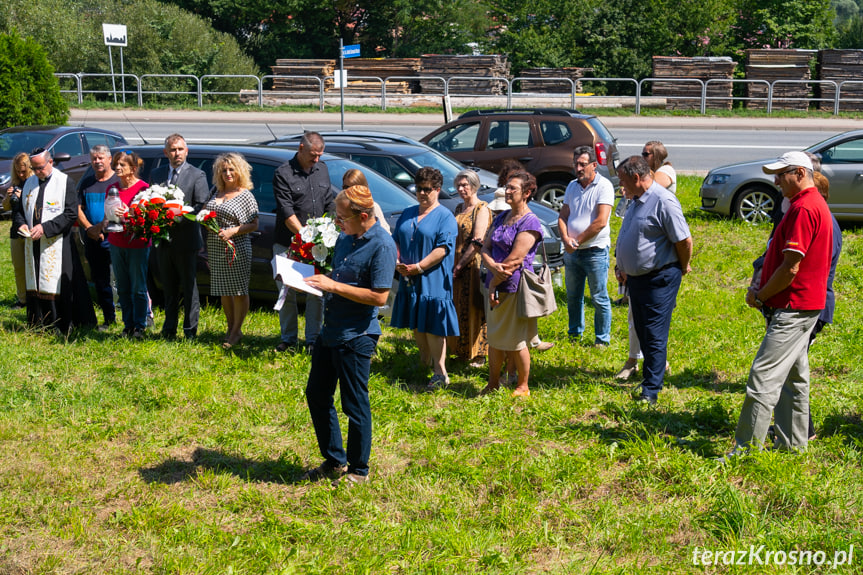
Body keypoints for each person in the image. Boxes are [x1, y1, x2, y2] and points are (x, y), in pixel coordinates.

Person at [727, 152, 833, 456]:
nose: (775, 181)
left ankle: (745, 451)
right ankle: (792, 446)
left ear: (799, 173)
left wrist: (761, 296)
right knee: (794, 379)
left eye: (780, 174)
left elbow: (790, 267)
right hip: (805, 305)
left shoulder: (804, 208)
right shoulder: (813, 205)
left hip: (793, 306)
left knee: (763, 378)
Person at [300, 184, 398, 486]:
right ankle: (334, 459)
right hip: (331, 329)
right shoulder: (345, 239)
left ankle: (359, 469)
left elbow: (380, 297)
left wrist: (334, 287)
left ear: (364, 215)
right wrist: (314, 280)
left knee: (353, 403)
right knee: (316, 394)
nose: (337, 223)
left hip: (357, 335)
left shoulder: (381, 245)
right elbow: (339, 277)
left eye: (342, 218)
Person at [614, 155, 692, 405]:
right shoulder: (636, 200)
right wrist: (622, 264)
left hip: (659, 277)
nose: (621, 185)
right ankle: (650, 378)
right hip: (636, 279)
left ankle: (651, 389)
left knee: (654, 333)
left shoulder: (664, 200)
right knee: (643, 330)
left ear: (637, 178)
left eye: (623, 180)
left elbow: (684, 240)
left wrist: (681, 267)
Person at [391, 167, 460, 390]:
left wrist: (419, 267)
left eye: (427, 189)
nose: (422, 193)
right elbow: (396, 239)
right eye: (419, 188)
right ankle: (424, 363)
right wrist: (397, 261)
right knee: (416, 321)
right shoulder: (408, 211)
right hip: (408, 277)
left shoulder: (445, 217)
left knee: (433, 325)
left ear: (437, 190)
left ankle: (441, 372)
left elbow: (443, 249)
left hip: (433, 278)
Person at [13, 148, 95, 332]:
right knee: (34, 280)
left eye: (40, 167)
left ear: (50, 162)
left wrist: (45, 228)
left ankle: (60, 324)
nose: (37, 172)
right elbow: (19, 211)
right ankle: (38, 322)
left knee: (56, 282)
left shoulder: (64, 182)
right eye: (34, 168)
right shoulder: (29, 182)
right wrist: (21, 225)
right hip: (32, 243)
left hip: (57, 242)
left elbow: (70, 213)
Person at [480, 171, 544, 398]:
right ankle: (493, 383)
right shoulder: (501, 217)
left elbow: (515, 260)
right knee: (495, 338)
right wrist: (490, 266)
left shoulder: (531, 222)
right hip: (494, 285)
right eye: (506, 187)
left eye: (512, 188)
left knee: (516, 340)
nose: (507, 191)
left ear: (526, 193)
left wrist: (494, 284)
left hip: (514, 287)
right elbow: (485, 247)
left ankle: (523, 386)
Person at [272, 131, 336, 352]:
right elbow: (287, 212)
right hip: (288, 243)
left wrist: (325, 234)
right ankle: (288, 339)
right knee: (286, 291)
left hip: (318, 246)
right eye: (313, 155)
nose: (316, 159)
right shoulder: (283, 173)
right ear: (300, 148)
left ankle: (313, 340)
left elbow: (329, 202)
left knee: (315, 293)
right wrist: (305, 238)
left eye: (319, 155)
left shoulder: (323, 169)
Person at [149, 134, 210, 340]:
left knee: (189, 286)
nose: (177, 153)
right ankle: (169, 329)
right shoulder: (157, 174)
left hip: (186, 240)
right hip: (163, 241)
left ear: (187, 151)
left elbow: (201, 204)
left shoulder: (197, 175)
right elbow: (150, 201)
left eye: (180, 149)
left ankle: (190, 330)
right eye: (173, 150)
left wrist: (179, 218)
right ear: (166, 153)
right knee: (169, 286)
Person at [557, 145, 614, 347]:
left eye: (582, 164)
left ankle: (602, 339)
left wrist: (577, 241)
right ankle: (574, 335)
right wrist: (565, 238)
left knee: (599, 297)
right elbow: (563, 216)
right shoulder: (572, 186)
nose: (578, 168)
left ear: (594, 165)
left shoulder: (604, 186)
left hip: (595, 251)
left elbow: (600, 221)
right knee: (573, 297)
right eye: (576, 164)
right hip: (572, 252)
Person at [204, 153, 259, 349]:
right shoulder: (215, 191)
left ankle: (236, 331)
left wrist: (233, 231)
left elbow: (254, 224)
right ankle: (230, 327)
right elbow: (205, 212)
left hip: (237, 247)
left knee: (238, 290)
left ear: (239, 171)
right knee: (223, 290)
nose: (228, 173)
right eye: (224, 170)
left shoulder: (245, 195)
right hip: (216, 246)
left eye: (231, 169)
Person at [448, 169, 491, 367]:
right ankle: (460, 349)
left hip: (472, 264)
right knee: (458, 306)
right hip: (455, 263)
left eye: (465, 185)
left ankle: (479, 352)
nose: (461, 188)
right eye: (458, 185)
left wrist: (460, 265)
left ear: (474, 186)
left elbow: (477, 241)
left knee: (475, 308)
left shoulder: (481, 208)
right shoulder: (459, 207)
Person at [106, 151, 150, 338]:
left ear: (133, 169)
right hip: (116, 242)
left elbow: (149, 219)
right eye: (116, 164)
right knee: (122, 286)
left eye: (122, 165)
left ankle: (140, 325)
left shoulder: (144, 189)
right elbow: (107, 214)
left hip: (138, 244)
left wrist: (130, 214)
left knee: (138, 287)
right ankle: (128, 325)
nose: (117, 168)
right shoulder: (113, 189)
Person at [76, 145, 119, 330]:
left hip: (115, 238)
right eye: (94, 158)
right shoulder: (86, 183)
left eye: (101, 158)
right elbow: (77, 208)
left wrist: (103, 225)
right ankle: (109, 319)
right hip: (93, 238)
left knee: (120, 280)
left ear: (109, 159)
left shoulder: (117, 181)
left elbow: (117, 206)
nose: (97, 161)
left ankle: (132, 318)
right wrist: (89, 228)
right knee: (100, 281)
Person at [3, 152, 32, 309]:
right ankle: (22, 300)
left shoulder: (33, 182)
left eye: (23, 171)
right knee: (19, 266)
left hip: (31, 230)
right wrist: (8, 197)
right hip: (16, 231)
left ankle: (35, 296)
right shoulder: (14, 183)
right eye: (18, 171)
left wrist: (24, 197)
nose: (21, 174)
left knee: (32, 266)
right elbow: (6, 207)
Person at [341, 168, 390, 233]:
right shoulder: (340, 209)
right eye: (346, 187)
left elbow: (385, 234)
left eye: (355, 187)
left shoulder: (373, 207)